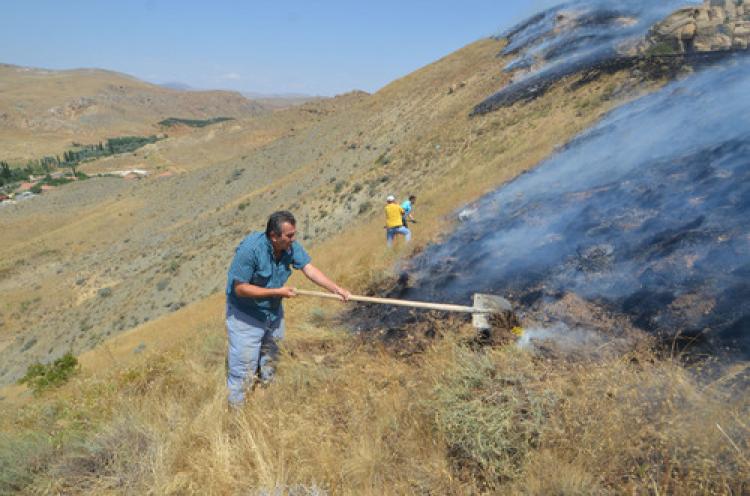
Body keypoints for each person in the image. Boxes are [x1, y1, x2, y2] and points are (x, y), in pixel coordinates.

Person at [225, 210, 350, 405]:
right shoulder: (251, 250)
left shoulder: (290, 247)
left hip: (273, 313)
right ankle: (236, 414)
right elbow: (240, 288)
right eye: (289, 235)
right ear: (274, 236)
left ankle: (266, 397)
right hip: (246, 316)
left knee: (271, 357)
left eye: (294, 234)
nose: (294, 239)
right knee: (243, 369)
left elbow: (308, 268)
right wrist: (277, 292)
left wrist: (336, 289)